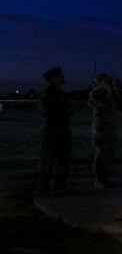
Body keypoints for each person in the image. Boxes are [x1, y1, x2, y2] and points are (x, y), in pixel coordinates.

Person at [36, 66, 74, 196]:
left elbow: (66, 109)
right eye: (60, 76)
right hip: (52, 131)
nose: (63, 78)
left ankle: (60, 185)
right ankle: (43, 187)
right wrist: (65, 112)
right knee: (48, 158)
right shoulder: (47, 94)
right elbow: (48, 113)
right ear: (53, 79)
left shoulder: (59, 93)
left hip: (62, 130)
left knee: (63, 158)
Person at [88, 73, 121, 189]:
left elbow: (120, 105)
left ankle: (104, 178)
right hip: (101, 126)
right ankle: (99, 180)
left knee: (108, 154)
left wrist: (115, 91)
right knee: (101, 152)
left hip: (110, 126)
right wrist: (109, 91)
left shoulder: (109, 92)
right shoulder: (95, 93)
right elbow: (103, 105)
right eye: (106, 80)